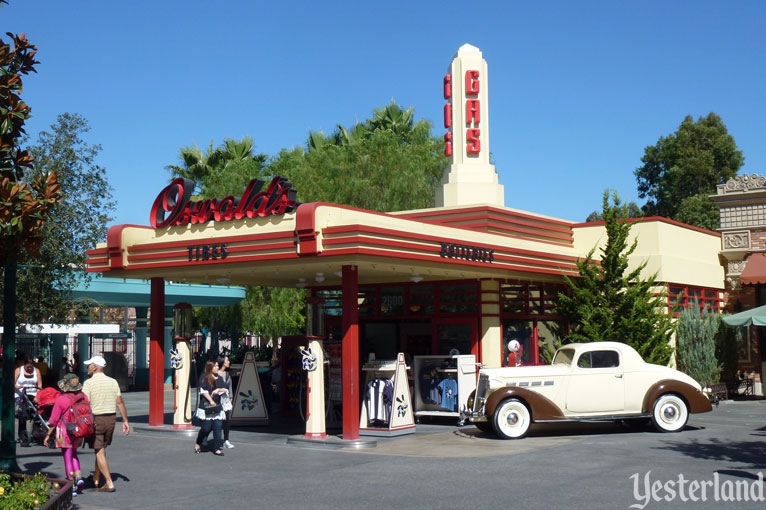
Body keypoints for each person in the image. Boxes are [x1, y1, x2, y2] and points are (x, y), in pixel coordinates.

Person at [82, 355, 130, 492]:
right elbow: (119, 401)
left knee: (98, 450)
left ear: (95, 367)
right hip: (111, 419)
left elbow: (85, 404)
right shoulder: (113, 382)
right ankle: (96, 477)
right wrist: (125, 420)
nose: (87, 367)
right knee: (101, 448)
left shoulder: (88, 383)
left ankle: (109, 483)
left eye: (89, 365)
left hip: (96, 419)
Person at [43, 373, 89, 497]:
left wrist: (48, 435)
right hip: (79, 430)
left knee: (67, 457)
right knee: (74, 454)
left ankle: (71, 484)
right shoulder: (84, 397)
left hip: (64, 432)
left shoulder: (61, 399)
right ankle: (79, 477)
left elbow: (53, 420)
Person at [194, 360, 228, 456]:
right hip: (206, 407)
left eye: (217, 366)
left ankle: (217, 448)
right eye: (215, 366)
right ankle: (198, 442)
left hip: (217, 407)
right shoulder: (204, 377)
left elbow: (225, 390)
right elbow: (203, 391)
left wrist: (219, 389)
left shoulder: (220, 378)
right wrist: (211, 400)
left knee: (217, 427)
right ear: (210, 367)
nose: (217, 368)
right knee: (206, 428)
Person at [15, 356, 42, 446]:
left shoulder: (36, 371)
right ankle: (21, 434)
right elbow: (12, 382)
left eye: (31, 367)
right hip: (20, 394)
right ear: (24, 365)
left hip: (32, 394)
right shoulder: (19, 370)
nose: (30, 369)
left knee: (37, 412)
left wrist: (38, 395)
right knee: (23, 412)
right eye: (28, 367)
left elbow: (39, 384)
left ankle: (36, 434)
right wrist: (17, 386)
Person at [216, 355, 235, 448]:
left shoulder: (227, 374)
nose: (229, 362)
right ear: (222, 362)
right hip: (217, 400)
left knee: (227, 421)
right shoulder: (216, 374)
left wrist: (231, 397)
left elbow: (230, 386)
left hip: (226, 400)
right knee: (217, 421)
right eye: (227, 360)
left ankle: (226, 440)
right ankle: (216, 440)